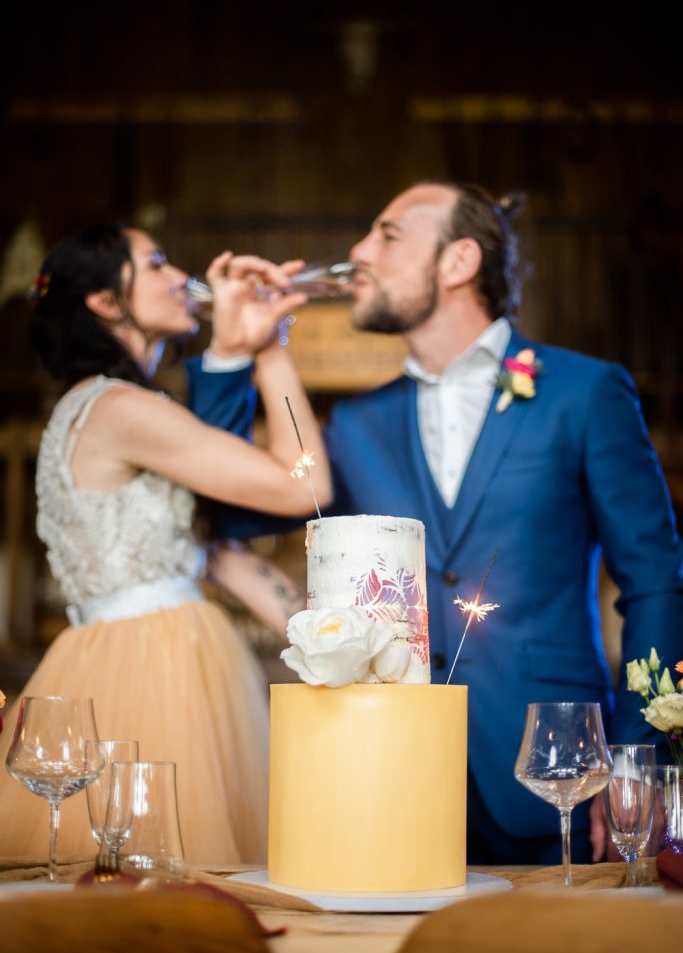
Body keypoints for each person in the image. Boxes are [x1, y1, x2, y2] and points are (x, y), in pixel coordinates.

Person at [185, 181, 683, 867]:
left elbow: (656, 583)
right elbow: (225, 508)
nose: (358, 251)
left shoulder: (586, 392)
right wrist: (232, 356)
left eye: (386, 235)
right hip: (391, 772)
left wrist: (634, 761)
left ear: (458, 263)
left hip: (557, 774)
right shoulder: (358, 424)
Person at [0, 224, 332, 867]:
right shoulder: (121, 408)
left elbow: (208, 550)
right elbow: (302, 485)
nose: (181, 275)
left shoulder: (103, 408)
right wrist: (271, 353)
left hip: (122, 653)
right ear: (103, 302)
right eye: (154, 263)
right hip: (155, 667)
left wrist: (328, 640)